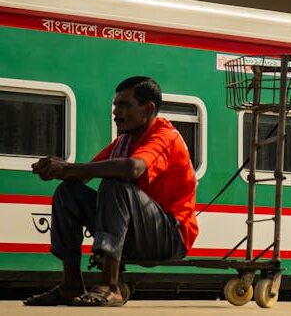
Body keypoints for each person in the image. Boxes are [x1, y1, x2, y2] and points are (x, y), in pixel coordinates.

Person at [24, 76, 198, 307]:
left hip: (170, 236)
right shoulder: (124, 142)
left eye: (125, 105)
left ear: (148, 109)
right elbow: (83, 175)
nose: (116, 112)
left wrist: (69, 169)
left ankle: (110, 285)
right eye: (115, 105)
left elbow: (133, 168)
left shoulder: (164, 136)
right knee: (68, 192)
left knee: (115, 183)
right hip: (140, 230)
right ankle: (71, 284)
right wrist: (57, 169)